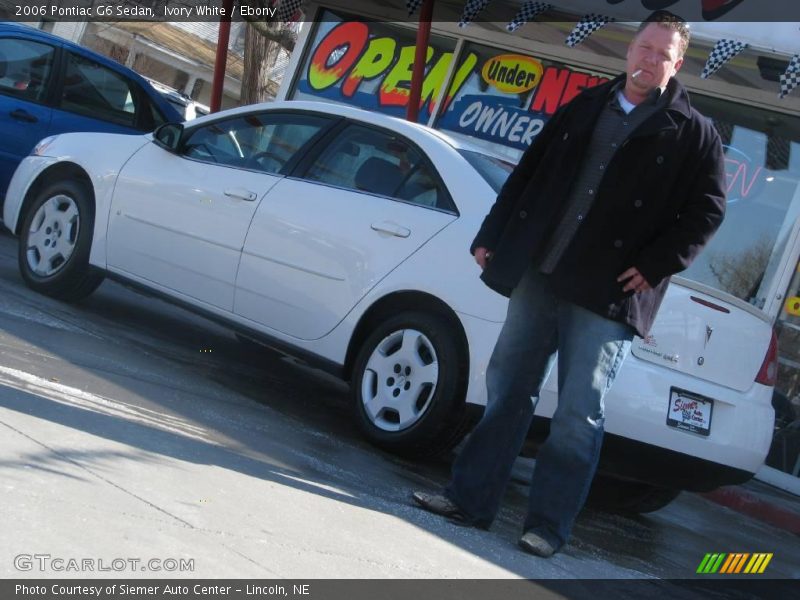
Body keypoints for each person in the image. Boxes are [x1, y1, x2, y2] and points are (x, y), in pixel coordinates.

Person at [411, 11, 726, 558]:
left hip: (609, 293)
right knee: (508, 392)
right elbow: (529, 173)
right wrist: (494, 233)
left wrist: (656, 264)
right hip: (542, 271)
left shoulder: (694, 133)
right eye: (645, 47)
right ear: (630, 49)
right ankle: (468, 500)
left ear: (677, 65)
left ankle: (547, 528)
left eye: (662, 54)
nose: (649, 60)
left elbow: (707, 211)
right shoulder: (586, 105)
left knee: (580, 414)